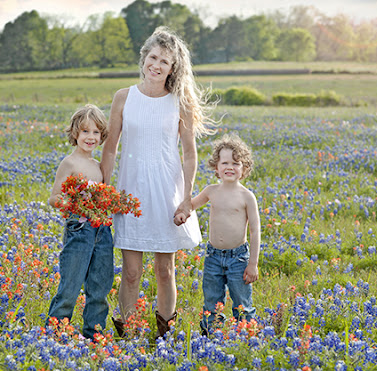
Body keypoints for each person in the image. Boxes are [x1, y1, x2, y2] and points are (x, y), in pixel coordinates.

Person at [100, 26, 213, 338]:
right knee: (132, 272)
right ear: (143, 59)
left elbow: (190, 154)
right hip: (130, 191)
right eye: (153, 57)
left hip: (167, 191)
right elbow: (110, 149)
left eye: (165, 61)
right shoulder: (123, 98)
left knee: (165, 270)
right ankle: (128, 333)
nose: (157, 65)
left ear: (173, 67)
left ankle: (164, 332)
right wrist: (105, 192)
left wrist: (187, 197)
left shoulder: (180, 102)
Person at [175, 134, 260, 334]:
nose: (230, 167)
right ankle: (211, 336)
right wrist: (182, 214)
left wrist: (253, 263)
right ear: (216, 167)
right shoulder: (211, 191)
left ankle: (247, 335)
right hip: (213, 256)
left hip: (238, 258)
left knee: (242, 302)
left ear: (244, 168)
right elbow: (191, 205)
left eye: (236, 163)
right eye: (225, 162)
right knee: (212, 300)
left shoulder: (247, 196)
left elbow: (255, 231)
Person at [46, 104, 113, 339]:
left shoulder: (98, 166)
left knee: (99, 288)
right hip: (79, 228)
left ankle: (94, 335)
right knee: (70, 287)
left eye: (96, 132)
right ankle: (54, 335)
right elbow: (54, 198)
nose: (91, 137)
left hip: (102, 230)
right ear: (75, 133)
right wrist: (76, 206)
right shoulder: (70, 164)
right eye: (85, 131)